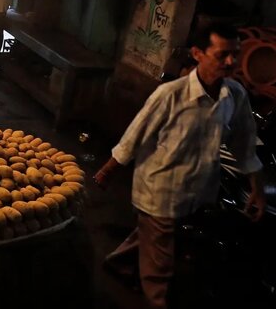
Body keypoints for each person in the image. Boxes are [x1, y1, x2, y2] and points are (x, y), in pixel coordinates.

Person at [94, 22, 265, 308]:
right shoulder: (170, 95)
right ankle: (157, 298)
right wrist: (109, 168)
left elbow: (245, 144)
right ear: (198, 53)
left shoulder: (234, 95)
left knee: (156, 236)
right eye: (222, 55)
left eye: (235, 54)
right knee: (160, 266)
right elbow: (135, 135)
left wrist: (256, 188)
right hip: (160, 189)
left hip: (198, 190)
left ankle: (119, 264)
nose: (231, 62)